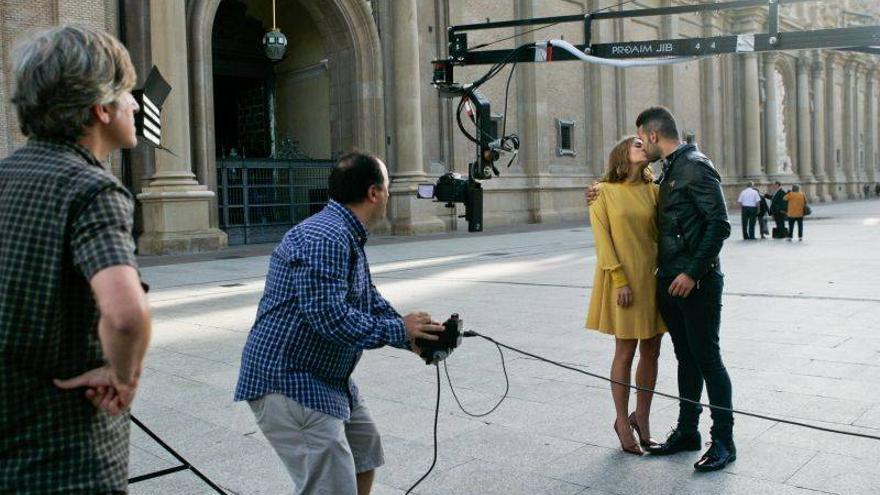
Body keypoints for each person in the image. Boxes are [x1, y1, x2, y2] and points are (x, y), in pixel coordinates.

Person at [234, 152, 446, 494]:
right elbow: (329, 318)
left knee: (365, 451)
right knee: (330, 487)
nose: (389, 197)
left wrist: (414, 337)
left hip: (327, 377)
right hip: (289, 380)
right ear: (374, 193)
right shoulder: (327, 236)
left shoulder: (345, 233)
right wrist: (399, 329)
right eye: (389, 189)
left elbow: (369, 299)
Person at [0, 25, 152, 494]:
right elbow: (125, 316)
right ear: (101, 108)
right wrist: (122, 375)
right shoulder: (92, 190)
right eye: (128, 93)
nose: (136, 105)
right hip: (66, 459)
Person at [585, 136, 666, 456]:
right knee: (625, 350)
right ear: (621, 154)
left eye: (645, 144)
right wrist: (619, 279)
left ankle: (642, 418)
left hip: (653, 279)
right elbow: (602, 241)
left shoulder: (656, 191)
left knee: (652, 350)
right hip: (624, 280)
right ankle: (621, 420)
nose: (643, 146)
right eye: (636, 143)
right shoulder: (602, 193)